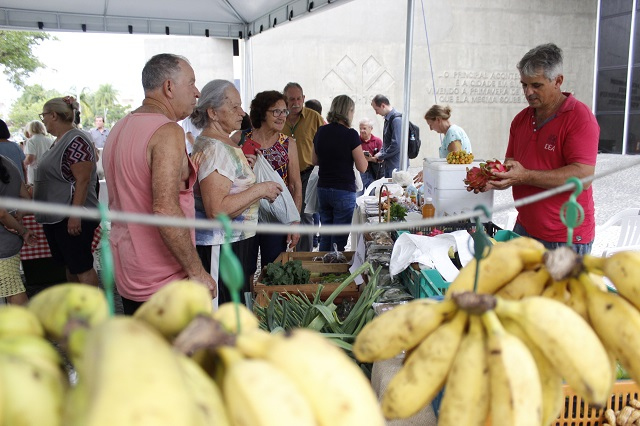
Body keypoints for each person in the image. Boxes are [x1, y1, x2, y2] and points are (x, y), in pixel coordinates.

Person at [102, 53, 215, 314]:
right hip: (161, 277)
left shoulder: (120, 126)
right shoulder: (167, 131)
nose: (197, 92)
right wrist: (197, 271)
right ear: (168, 87)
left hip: (130, 268)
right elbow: (165, 208)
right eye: (191, 83)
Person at [486, 43, 599, 254]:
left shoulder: (579, 118)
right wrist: (496, 178)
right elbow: (512, 165)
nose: (528, 92)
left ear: (558, 81)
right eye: (524, 85)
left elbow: (583, 177)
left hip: (564, 238)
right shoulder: (520, 120)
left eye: (536, 85)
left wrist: (524, 176)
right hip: (525, 228)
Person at [191, 80, 282, 304]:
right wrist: (261, 189)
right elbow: (217, 210)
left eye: (240, 106)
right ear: (212, 112)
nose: (242, 113)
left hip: (233, 243)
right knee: (223, 309)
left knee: (234, 306)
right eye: (234, 107)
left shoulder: (222, 142)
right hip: (220, 246)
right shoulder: (215, 148)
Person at [34, 96, 100, 287]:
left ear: (54, 115)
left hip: (71, 215)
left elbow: (83, 179)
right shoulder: (60, 140)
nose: (43, 120)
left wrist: (74, 215)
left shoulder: (76, 139)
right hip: (58, 216)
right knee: (72, 267)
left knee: (81, 267)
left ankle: (94, 311)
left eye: (44, 115)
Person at [244, 90, 302, 271]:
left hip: (277, 217)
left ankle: (270, 300)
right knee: (245, 268)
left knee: (274, 268)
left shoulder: (288, 144)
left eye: (284, 111)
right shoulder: (240, 139)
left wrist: (295, 222)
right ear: (262, 112)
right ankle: (247, 299)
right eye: (276, 111)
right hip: (246, 215)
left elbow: (295, 185)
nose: (282, 116)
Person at [312, 95, 367, 251]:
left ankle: (322, 272)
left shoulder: (321, 131)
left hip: (323, 188)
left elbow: (314, 160)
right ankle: (333, 272)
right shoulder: (350, 134)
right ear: (348, 111)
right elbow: (362, 167)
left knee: (326, 235)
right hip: (343, 190)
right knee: (338, 241)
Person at [283, 82, 324, 252]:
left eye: (299, 98)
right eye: (291, 99)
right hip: (283, 176)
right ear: (284, 100)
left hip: (307, 174)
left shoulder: (314, 117)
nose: (296, 102)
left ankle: (304, 257)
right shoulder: (278, 118)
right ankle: (284, 255)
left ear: (304, 98)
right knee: (284, 215)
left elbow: (326, 142)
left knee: (305, 216)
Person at [0, 155, 37, 305]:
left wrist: (23, 230)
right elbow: (26, 198)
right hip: (10, 242)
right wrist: (19, 216)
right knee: (12, 288)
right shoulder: (8, 162)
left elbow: (1, 213)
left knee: (13, 290)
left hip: (3, 244)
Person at [414, 105, 472, 183]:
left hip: (456, 181)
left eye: (430, 125)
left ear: (438, 119)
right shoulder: (451, 132)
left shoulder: (452, 133)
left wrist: (430, 173)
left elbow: (455, 164)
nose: (431, 129)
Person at [371, 94, 403, 178]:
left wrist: (382, 155)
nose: (376, 113)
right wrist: (381, 153)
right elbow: (386, 142)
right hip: (389, 164)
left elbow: (397, 144)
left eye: (376, 109)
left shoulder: (396, 120)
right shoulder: (388, 119)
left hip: (396, 165)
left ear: (383, 106)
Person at [23, 120, 53, 185]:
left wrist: (24, 163)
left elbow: (30, 158)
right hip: (48, 172)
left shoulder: (31, 141)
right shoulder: (49, 140)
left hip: (35, 173)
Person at [357, 118, 383, 192]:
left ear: (371, 129)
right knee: (358, 197)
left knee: (373, 196)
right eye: (360, 128)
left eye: (364, 128)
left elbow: (382, 159)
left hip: (373, 173)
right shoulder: (356, 141)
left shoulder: (377, 141)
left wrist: (371, 159)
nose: (362, 131)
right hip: (360, 173)